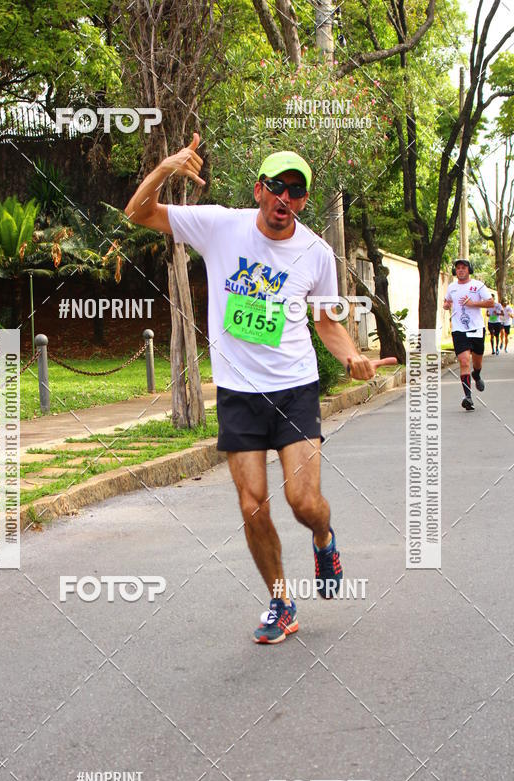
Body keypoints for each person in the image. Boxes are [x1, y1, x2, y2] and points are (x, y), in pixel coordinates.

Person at [125, 134, 395, 644]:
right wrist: (165, 167)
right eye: (277, 187)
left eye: (296, 192)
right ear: (258, 190)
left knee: (302, 501)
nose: (284, 199)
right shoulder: (219, 226)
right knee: (253, 504)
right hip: (238, 393)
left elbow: (327, 322)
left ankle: (323, 538)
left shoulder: (316, 253)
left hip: (294, 388)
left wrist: (353, 357)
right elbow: (138, 213)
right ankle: (281, 601)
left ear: (303, 201)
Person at [443, 260, 494, 410]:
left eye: (463, 268)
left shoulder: (478, 285)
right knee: (464, 361)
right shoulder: (451, 287)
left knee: (477, 362)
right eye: (458, 268)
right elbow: (447, 302)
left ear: (469, 269)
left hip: (477, 329)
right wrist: (446, 305)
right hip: (459, 330)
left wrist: (473, 304)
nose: (460, 270)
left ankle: (476, 374)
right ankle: (468, 397)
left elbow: (490, 303)